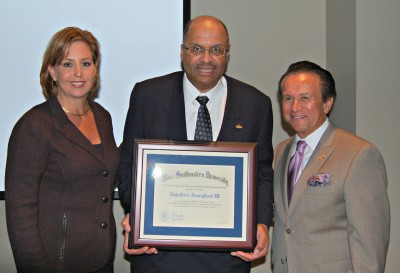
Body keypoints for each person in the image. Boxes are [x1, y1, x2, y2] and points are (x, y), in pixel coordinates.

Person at [117, 15, 274, 273]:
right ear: (183, 52)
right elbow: (127, 165)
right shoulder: (147, 95)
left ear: (228, 54)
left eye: (216, 50)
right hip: (158, 257)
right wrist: (139, 213)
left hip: (228, 259)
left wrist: (261, 224)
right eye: (197, 49)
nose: (206, 59)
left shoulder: (256, 104)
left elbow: (263, 172)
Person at [5, 27, 120, 273]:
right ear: (52, 71)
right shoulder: (35, 125)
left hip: (102, 260)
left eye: (86, 63)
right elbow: (19, 210)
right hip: (57, 264)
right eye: (67, 64)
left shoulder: (103, 117)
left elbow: (103, 173)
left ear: (95, 69)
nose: (78, 73)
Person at [271, 60, 390, 273]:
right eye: (288, 98)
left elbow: (369, 244)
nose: (295, 107)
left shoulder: (359, 155)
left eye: (305, 98)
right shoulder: (280, 152)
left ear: (327, 103)